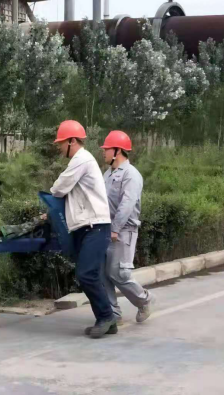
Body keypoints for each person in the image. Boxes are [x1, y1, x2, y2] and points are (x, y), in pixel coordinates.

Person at [50, 120, 116, 338]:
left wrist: (53, 193)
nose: (59, 148)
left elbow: (59, 188)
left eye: (61, 143)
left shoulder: (82, 159)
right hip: (87, 226)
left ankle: (106, 317)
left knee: (86, 274)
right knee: (90, 274)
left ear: (72, 141)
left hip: (95, 226)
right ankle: (107, 320)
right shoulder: (81, 160)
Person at [101, 130, 155, 324]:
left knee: (119, 273)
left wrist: (115, 228)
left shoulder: (131, 174)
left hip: (124, 230)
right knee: (103, 273)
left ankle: (145, 300)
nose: (104, 152)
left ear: (117, 151)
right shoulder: (108, 174)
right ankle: (113, 314)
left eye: (107, 149)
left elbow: (127, 204)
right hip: (106, 229)